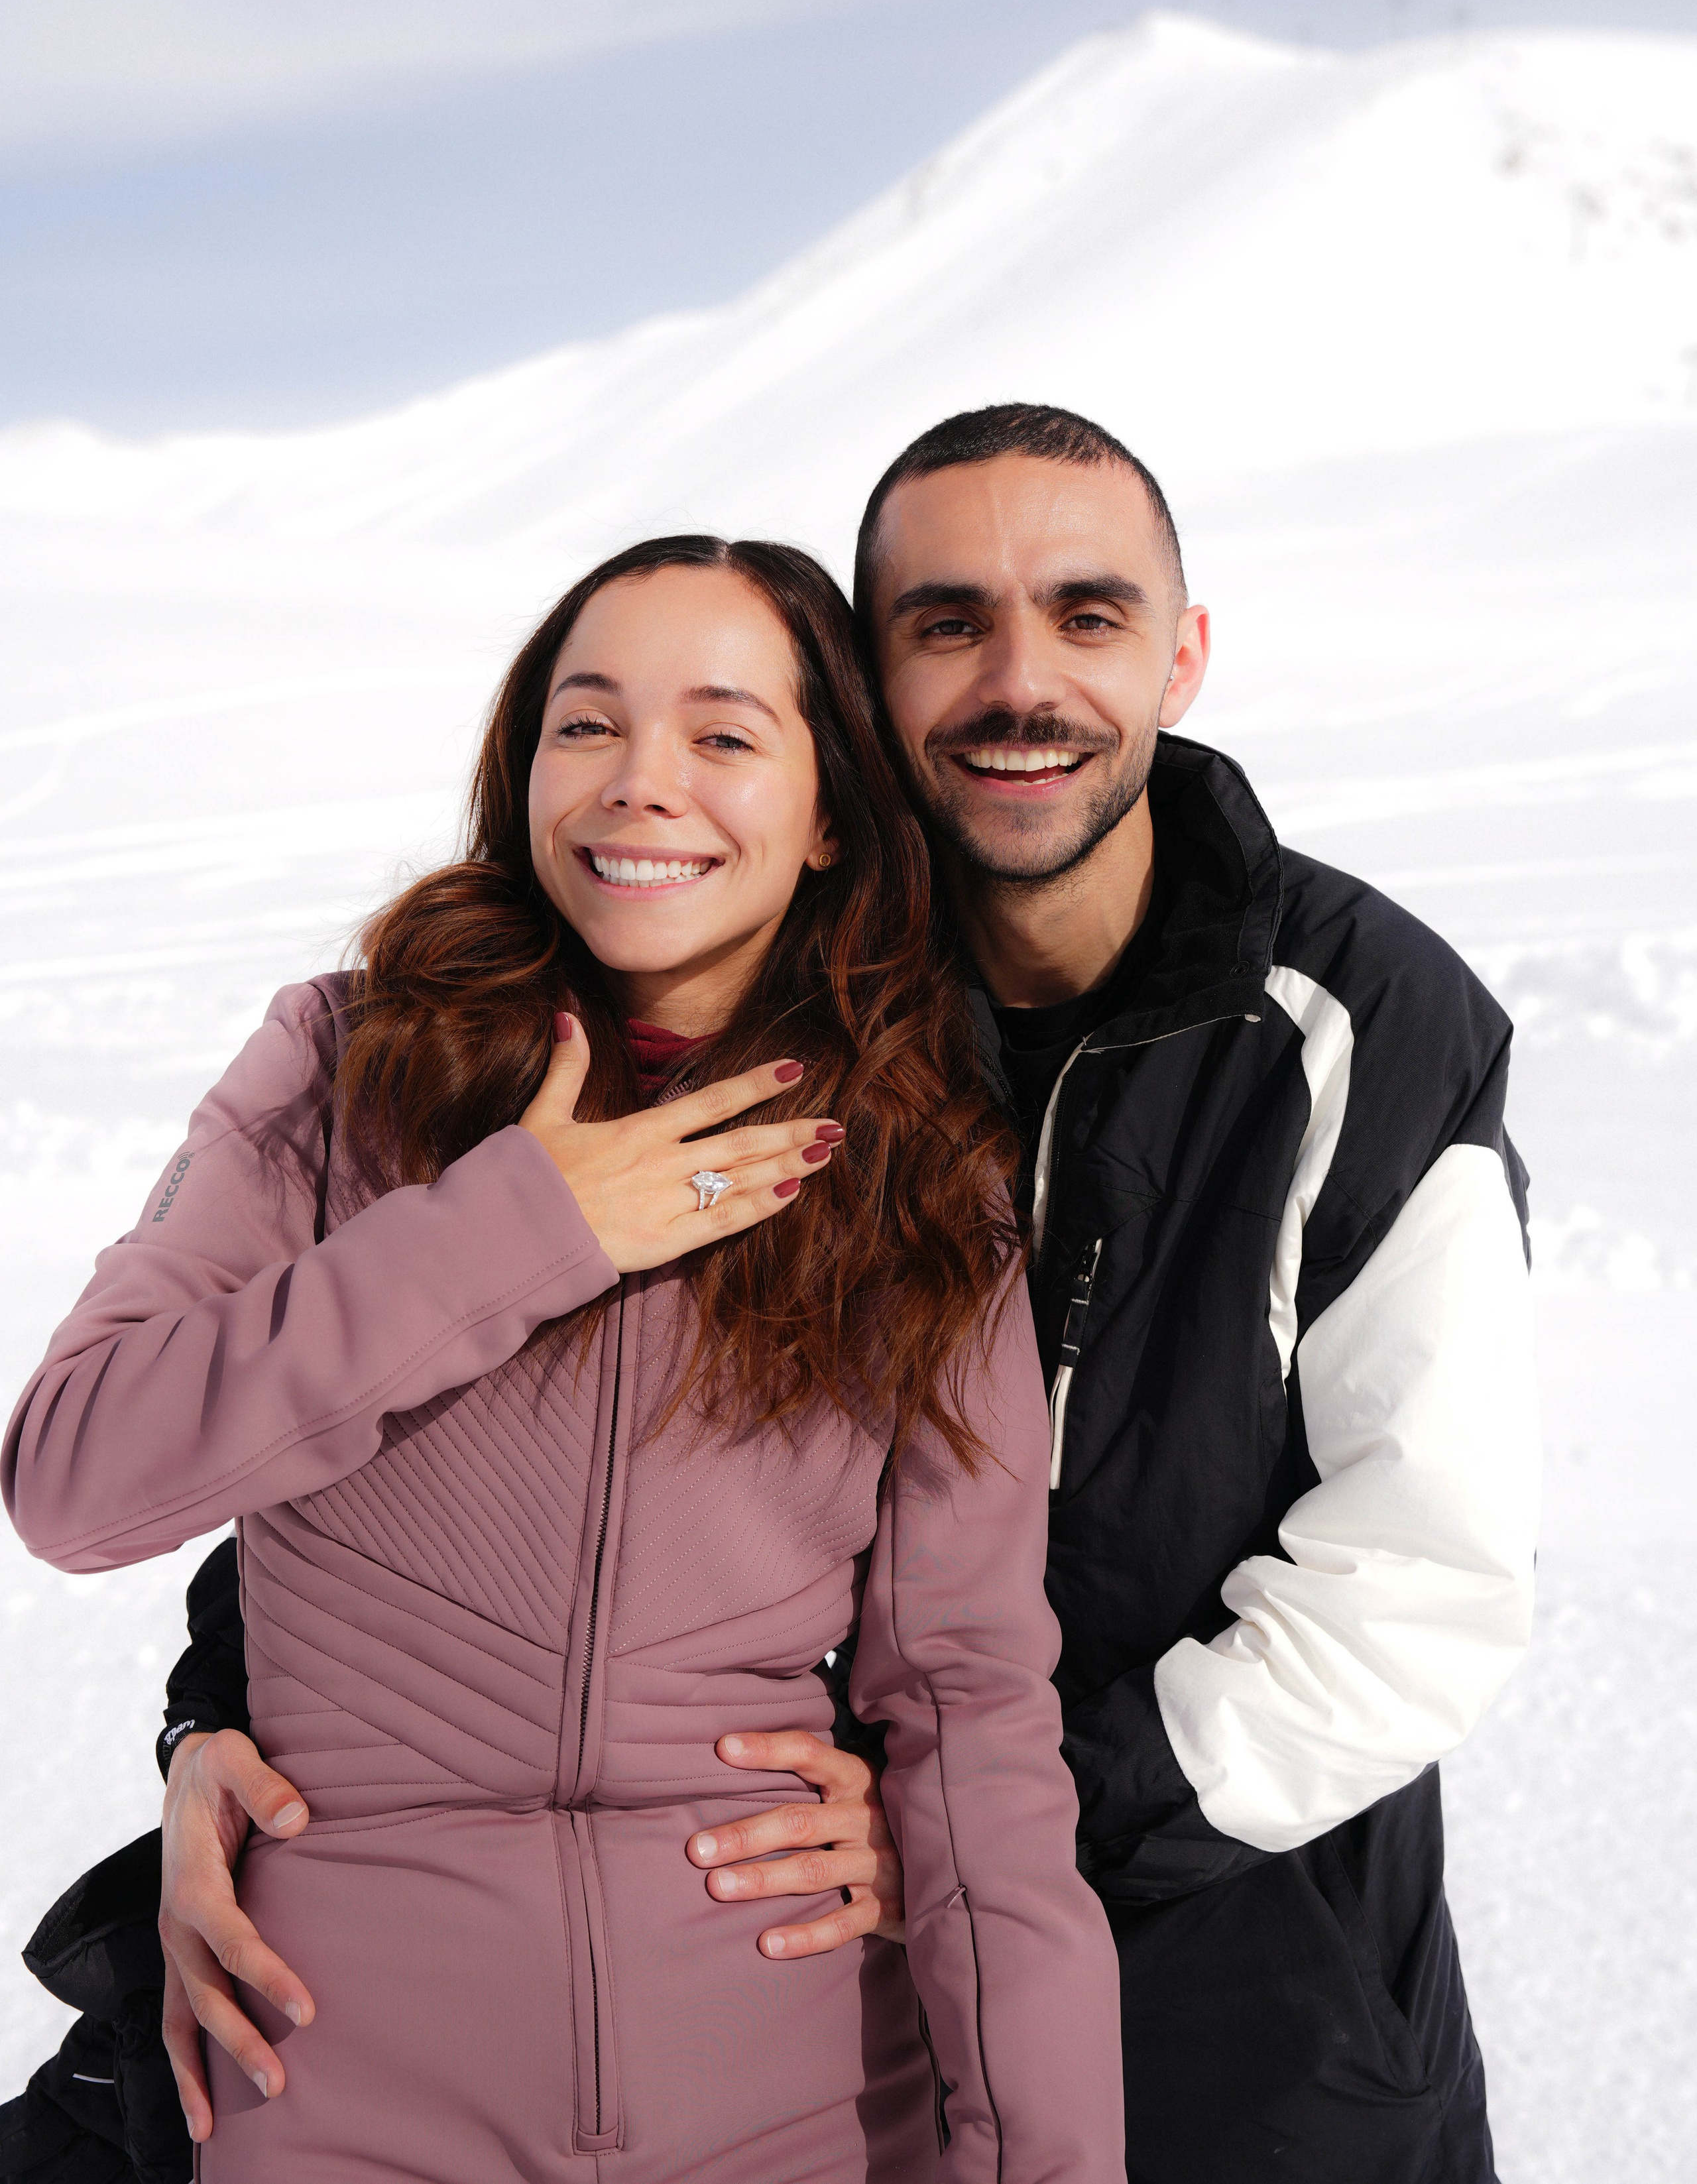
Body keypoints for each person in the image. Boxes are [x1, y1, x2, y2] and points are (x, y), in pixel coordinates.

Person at [34, 404, 1538, 2184]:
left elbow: (1420, 1584)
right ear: (876, 716)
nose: (1019, 679)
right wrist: (224, 1712)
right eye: (946, 623)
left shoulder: (1321, 1035)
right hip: (537, 2025)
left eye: (1089, 613)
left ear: (1184, 654)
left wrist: (968, 1825)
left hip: (1237, 1984)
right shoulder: (451, 1065)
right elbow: (298, 1472)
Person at [3, 535, 1124, 2183]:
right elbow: (75, 1477)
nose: (637, 784)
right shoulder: (336, 1069)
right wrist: (520, 1227)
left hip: (801, 2097)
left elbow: (974, 1722)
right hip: (338, 2085)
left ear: (828, 818)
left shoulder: (911, 1167)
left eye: (724, 736)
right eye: (585, 725)